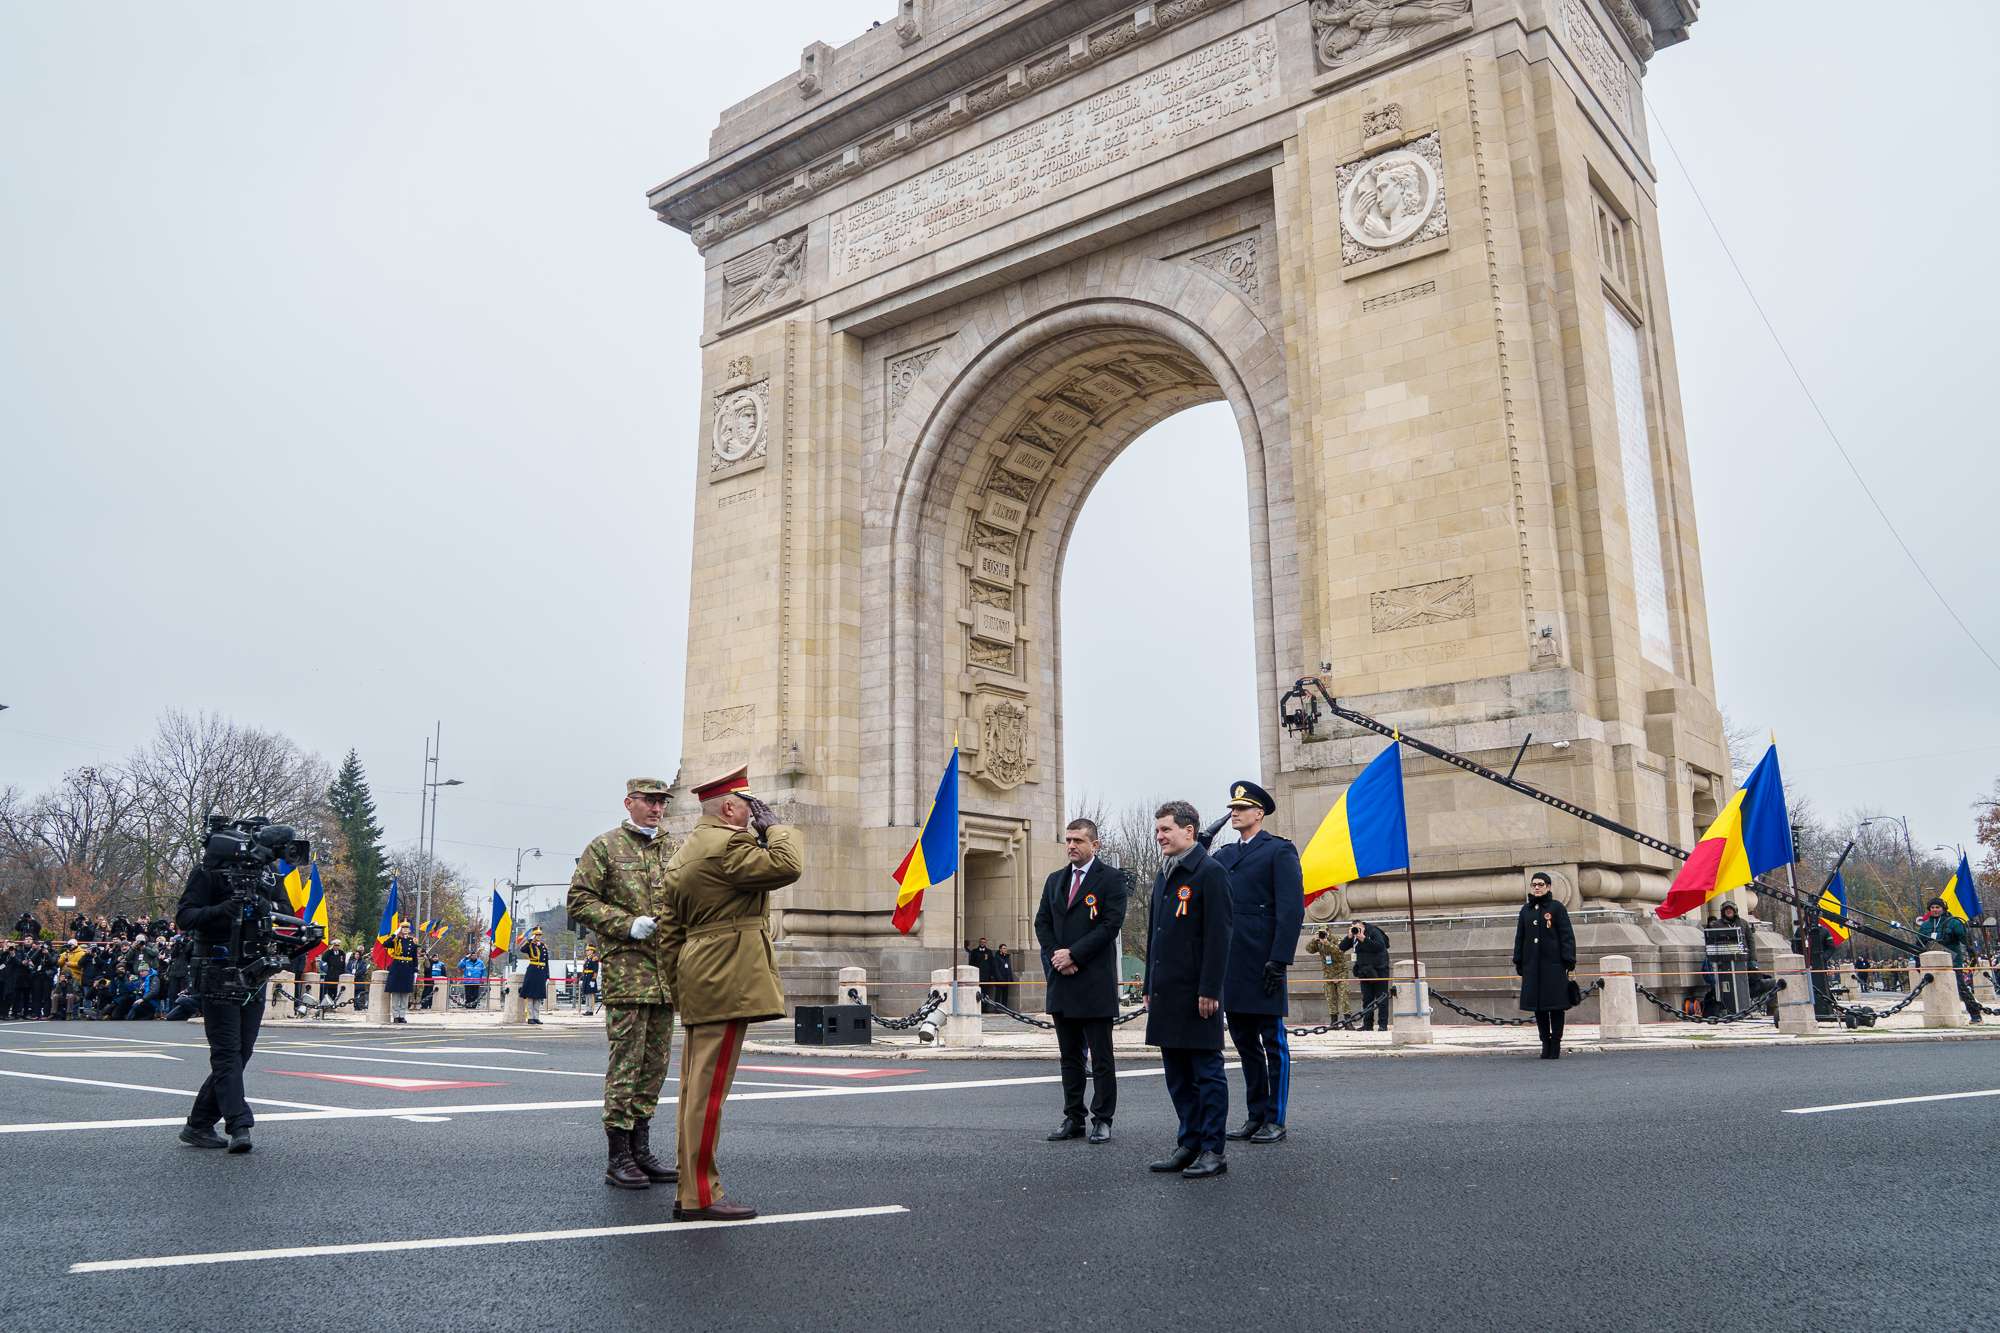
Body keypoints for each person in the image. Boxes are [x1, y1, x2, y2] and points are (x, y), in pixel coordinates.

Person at [659, 765, 802, 1221]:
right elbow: (787, 865)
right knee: (710, 1089)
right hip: (726, 974)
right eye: (748, 806)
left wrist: (682, 989)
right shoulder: (729, 843)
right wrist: (776, 826)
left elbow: (668, 934)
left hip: (699, 973)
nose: (752, 814)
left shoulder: (682, 855)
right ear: (728, 807)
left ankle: (689, 1183)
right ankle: (701, 1193)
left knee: (693, 1088)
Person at [569, 777, 683, 1190]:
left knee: (655, 1066)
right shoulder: (606, 847)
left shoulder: (675, 849)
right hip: (628, 972)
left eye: (661, 802)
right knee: (627, 1063)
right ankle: (618, 1156)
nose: (656, 808)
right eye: (648, 801)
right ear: (629, 803)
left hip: (667, 973)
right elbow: (579, 900)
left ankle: (641, 1149)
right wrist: (625, 924)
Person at [174, 847, 290, 1153]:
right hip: (217, 970)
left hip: (255, 971)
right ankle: (240, 1124)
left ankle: (198, 1123)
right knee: (227, 1053)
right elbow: (185, 916)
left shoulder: (270, 874)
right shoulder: (208, 872)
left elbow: (287, 914)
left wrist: (264, 905)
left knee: (241, 1053)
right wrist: (223, 910)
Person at [1143, 800, 1234, 1180]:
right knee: (1177, 1075)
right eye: (1158, 830)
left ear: (1189, 831)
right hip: (1167, 992)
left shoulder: (1210, 873)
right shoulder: (1165, 874)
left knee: (1207, 1074)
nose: (1159, 836)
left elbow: (1219, 935)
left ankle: (1213, 1150)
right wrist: (1148, 984)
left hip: (1198, 994)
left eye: (1166, 829)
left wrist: (1210, 988)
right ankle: (1190, 1142)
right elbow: (1155, 936)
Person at [1211, 780, 1305, 1145]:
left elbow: (1291, 910)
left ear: (1259, 813)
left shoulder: (1278, 851)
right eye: (1232, 808)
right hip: (1232, 962)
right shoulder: (1222, 855)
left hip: (1264, 960)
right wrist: (1202, 838)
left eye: (1241, 808)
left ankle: (1275, 1118)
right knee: (1245, 1043)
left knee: (1272, 1043)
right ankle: (1255, 1114)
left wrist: (1280, 959)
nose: (1234, 813)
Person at [1033, 818, 1127, 1145]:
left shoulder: (1112, 879)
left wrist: (1074, 954)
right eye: (1069, 840)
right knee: (1070, 1057)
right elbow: (1042, 923)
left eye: (1078, 841)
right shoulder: (1055, 880)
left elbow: (1109, 925)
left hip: (1094, 982)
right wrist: (1057, 957)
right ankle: (1074, 1117)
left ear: (1094, 845)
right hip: (1062, 982)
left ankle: (1103, 1119)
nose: (1072, 845)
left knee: (1101, 1057)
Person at [1514, 872, 1577, 1057]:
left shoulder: (1556, 908)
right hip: (1533, 966)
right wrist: (1518, 960)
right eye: (1534, 885)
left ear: (1548, 887)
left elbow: (1567, 935)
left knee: (1556, 1006)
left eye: (1541, 884)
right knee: (1539, 1007)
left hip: (1554, 965)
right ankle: (1545, 1043)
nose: (1537, 888)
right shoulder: (1526, 910)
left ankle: (1556, 1043)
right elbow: (1520, 938)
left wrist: (1569, 959)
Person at [1915, 898, 1981, 1023]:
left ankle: (1975, 1014)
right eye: (1932, 907)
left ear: (1943, 909)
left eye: (1937, 907)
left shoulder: (1953, 922)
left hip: (1953, 960)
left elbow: (1965, 938)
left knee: (1961, 987)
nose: (1935, 910)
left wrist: (1971, 951)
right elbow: (1919, 943)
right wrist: (1918, 960)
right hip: (1931, 961)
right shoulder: (1925, 925)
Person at [1339, 919, 1392, 1029]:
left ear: (1363, 927)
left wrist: (1364, 939)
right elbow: (1342, 947)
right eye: (1353, 929)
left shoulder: (1373, 932)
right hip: (1364, 970)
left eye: (1358, 928)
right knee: (1367, 998)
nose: (1356, 931)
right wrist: (1349, 937)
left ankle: (1382, 1024)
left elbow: (1380, 946)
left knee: (1381, 997)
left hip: (1379, 968)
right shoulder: (1354, 937)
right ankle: (1367, 1024)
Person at [1306, 928, 1352, 1022]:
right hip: (1328, 974)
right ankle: (1334, 1021)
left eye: (1324, 933)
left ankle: (1348, 1021)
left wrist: (1326, 942)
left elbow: (1339, 951)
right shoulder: (1318, 942)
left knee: (1344, 998)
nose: (1322, 935)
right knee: (1331, 998)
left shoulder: (1336, 939)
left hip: (1340, 973)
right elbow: (1309, 949)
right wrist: (1314, 940)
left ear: (1329, 932)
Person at [384, 923, 419, 1023]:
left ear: (409, 930)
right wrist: (394, 934)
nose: (405, 929)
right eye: (403, 927)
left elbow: (414, 957)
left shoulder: (413, 941)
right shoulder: (396, 939)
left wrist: (415, 970)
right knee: (395, 993)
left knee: (405, 993)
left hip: (408, 968)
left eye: (407, 928)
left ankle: (402, 1015)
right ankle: (395, 1015)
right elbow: (385, 944)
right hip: (397, 967)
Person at [520, 927, 550, 1024]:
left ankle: (536, 1016)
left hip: (541, 973)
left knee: (538, 996)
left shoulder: (544, 947)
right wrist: (529, 939)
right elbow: (522, 949)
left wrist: (547, 975)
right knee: (530, 995)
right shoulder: (530, 945)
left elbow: (546, 962)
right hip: (532, 972)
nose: (538, 937)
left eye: (540, 935)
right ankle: (530, 1017)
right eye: (536, 935)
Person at [318, 944, 346, 1009]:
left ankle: (336, 1005)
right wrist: (329, 950)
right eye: (335, 946)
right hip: (331, 973)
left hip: (338, 973)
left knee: (337, 990)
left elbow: (343, 964)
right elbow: (324, 959)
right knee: (330, 990)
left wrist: (343, 973)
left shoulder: (341, 953)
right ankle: (329, 1005)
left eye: (338, 946)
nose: (337, 947)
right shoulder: (330, 953)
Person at [990, 945, 1015, 1011]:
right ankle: (997, 1008)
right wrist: (999, 978)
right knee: (998, 994)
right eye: (1004, 948)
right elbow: (996, 968)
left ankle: (1005, 1008)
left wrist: (1011, 978)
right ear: (1000, 949)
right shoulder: (997, 957)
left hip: (1006, 979)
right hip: (1000, 979)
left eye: (1006, 948)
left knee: (1005, 994)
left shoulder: (1006, 958)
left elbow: (1009, 968)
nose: (1005, 950)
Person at [578, 945, 601, 1017]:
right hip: (586, 977)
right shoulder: (586, 959)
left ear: (592, 951)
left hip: (591, 977)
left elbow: (595, 970)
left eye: (588, 950)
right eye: (586, 951)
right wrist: (581, 978)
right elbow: (583, 970)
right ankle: (587, 1009)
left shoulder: (594, 959)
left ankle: (591, 1010)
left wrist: (593, 980)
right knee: (587, 994)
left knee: (591, 995)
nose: (587, 952)